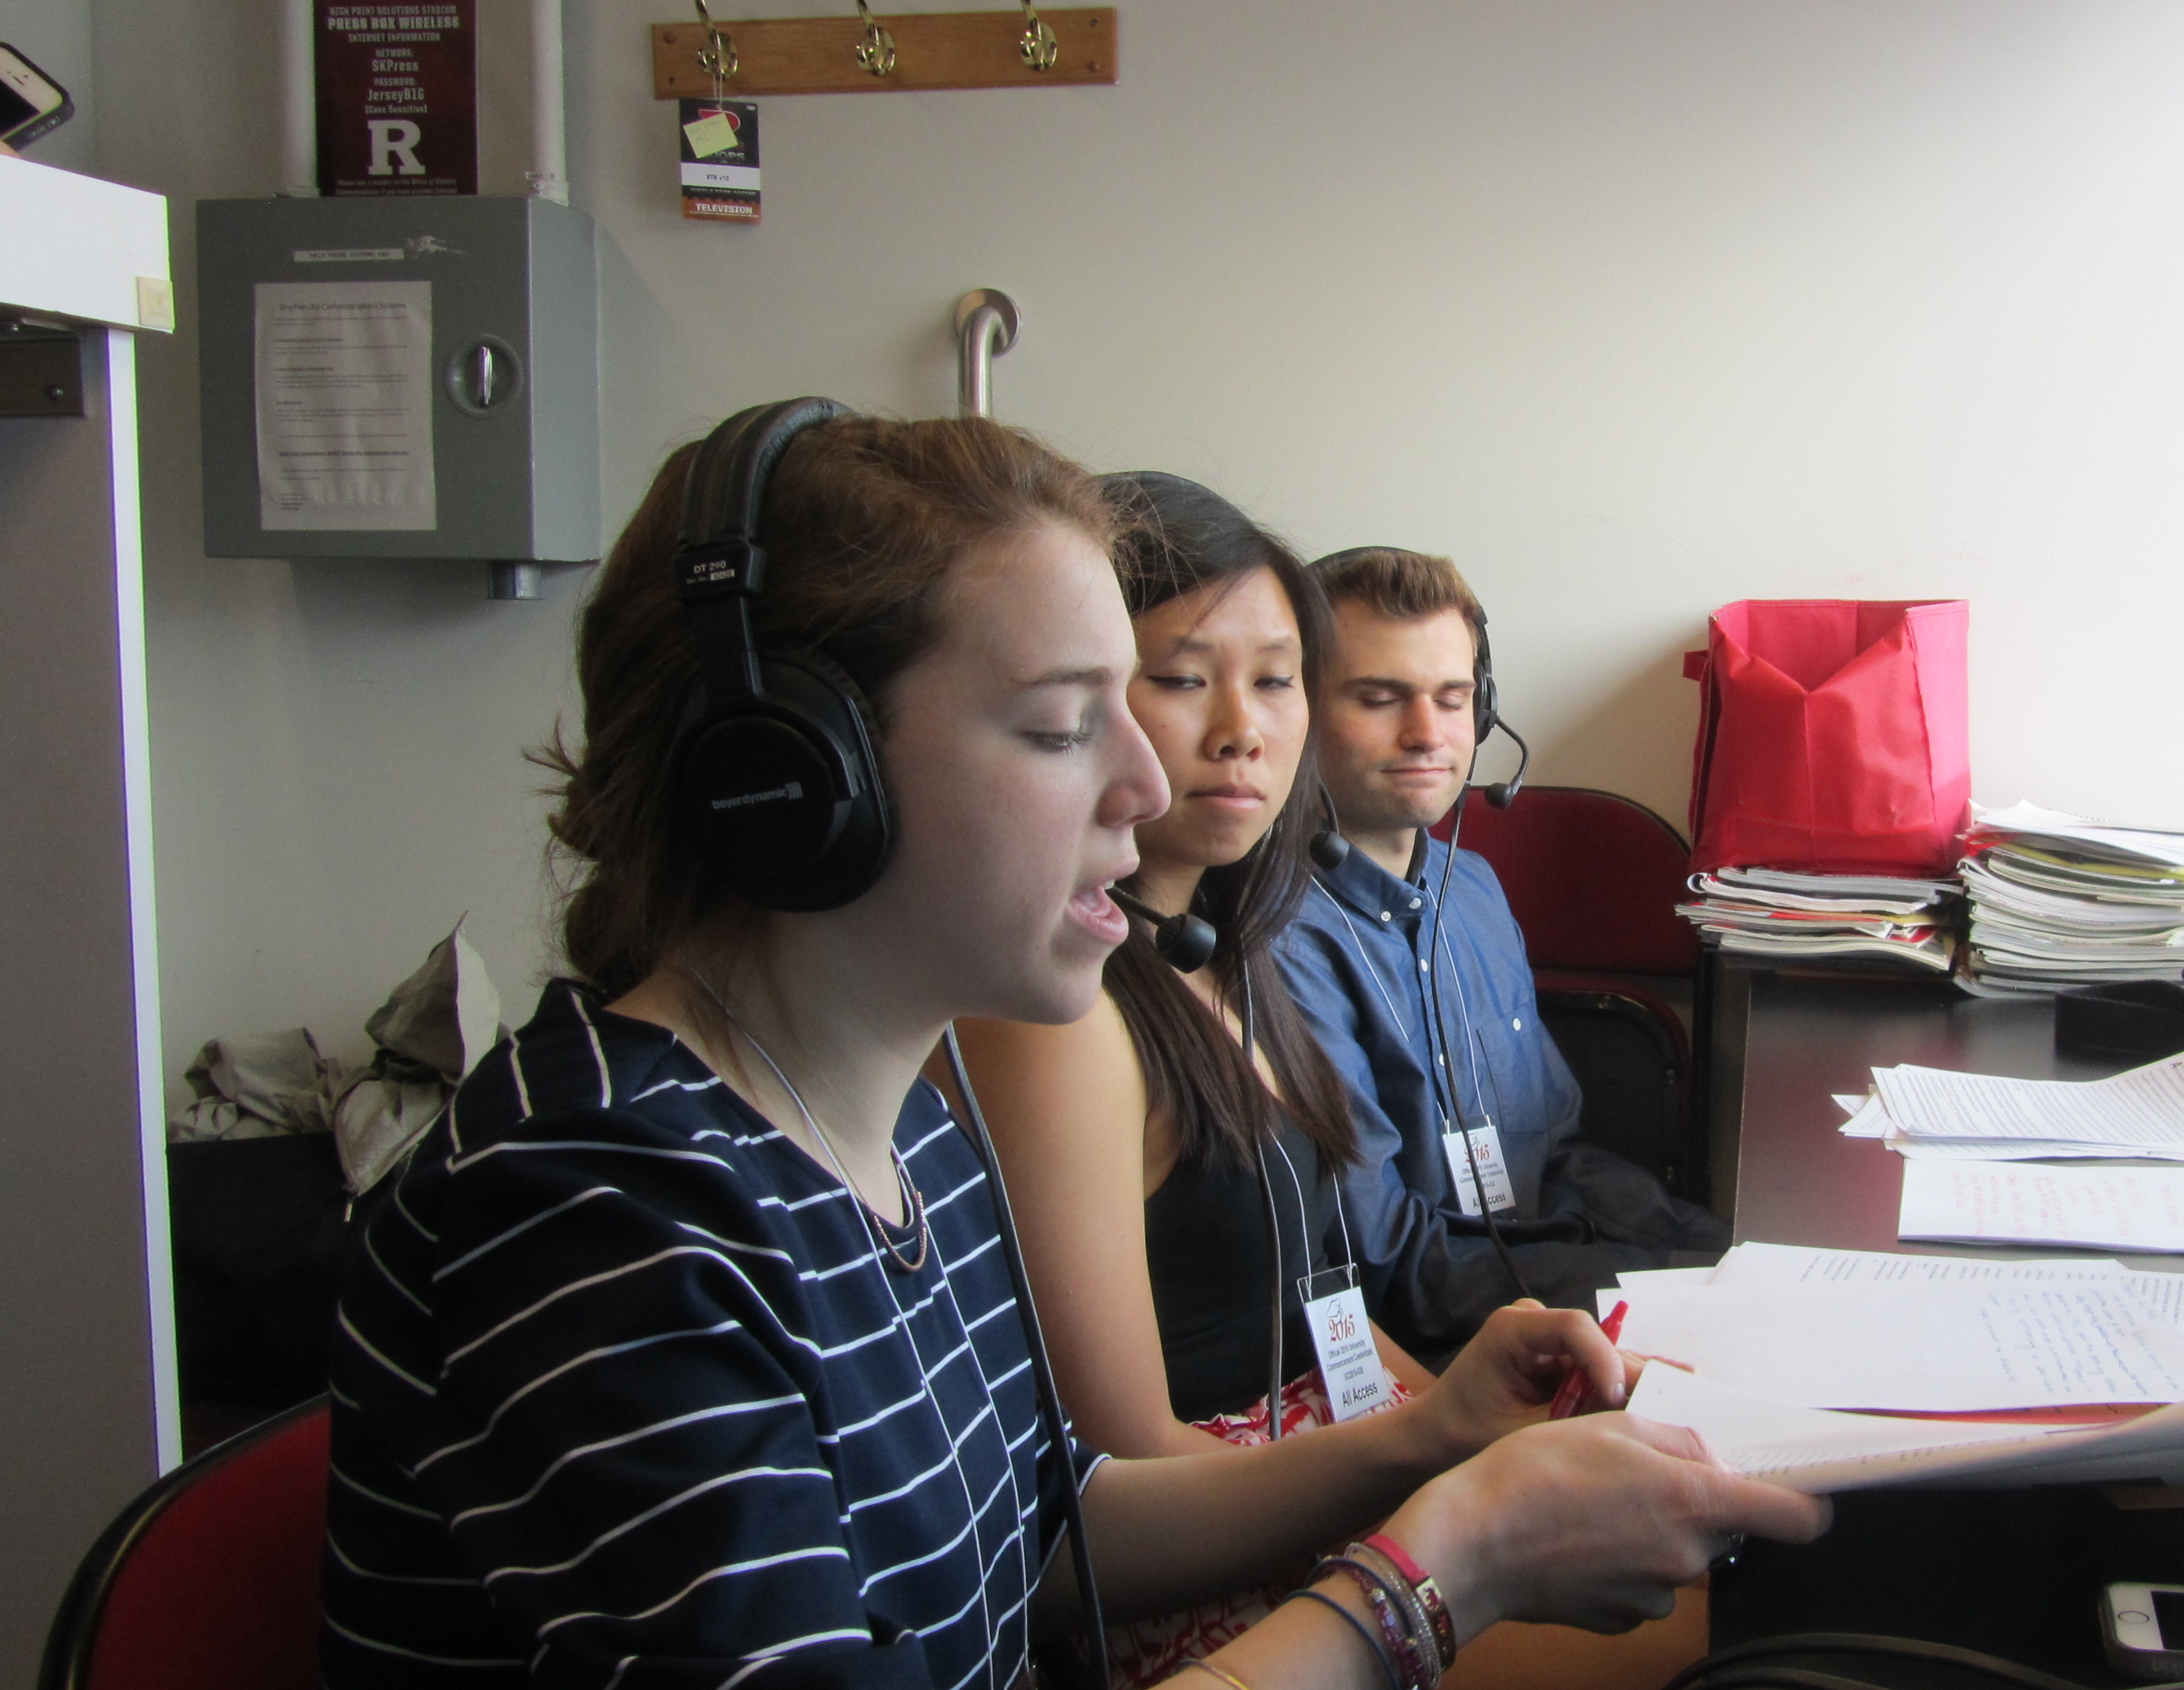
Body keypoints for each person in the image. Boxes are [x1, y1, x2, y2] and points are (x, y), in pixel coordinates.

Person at [318, 406, 1825, 1690]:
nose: (1141, 777)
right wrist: (1444, 1571)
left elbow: (1055, 1529)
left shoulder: (896, 1128)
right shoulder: (599, 1211)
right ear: (792, 781)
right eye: (1059, 726)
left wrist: (1427, 1439)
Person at [945, 474, 1437, 1678]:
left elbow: (1321, 1307)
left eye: (1276, 679)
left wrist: (1465, 1416)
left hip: (1328, 1478)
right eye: (1183, 677)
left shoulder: (1225, 953)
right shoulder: (1059, 1018)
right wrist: (1427, 1505)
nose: (1244, 728)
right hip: (1216, 1561)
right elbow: (1130, 1456)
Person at [1276, 546, 1730, 1360]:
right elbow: (1397, 1268)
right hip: (1450, 1355)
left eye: (1452, 699)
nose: (1426, 734)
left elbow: (1557, 1154)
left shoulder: (1473, 890)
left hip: (1554, 1287)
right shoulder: (1282, 946)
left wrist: (1721, 1254)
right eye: (1380, 699)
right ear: (1298, 712)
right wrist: (1663, 1281)